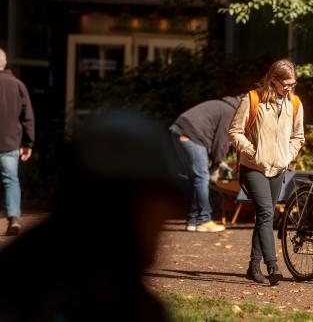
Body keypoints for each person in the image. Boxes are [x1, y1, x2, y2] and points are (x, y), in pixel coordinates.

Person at [0, 109, 190, 322]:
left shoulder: (121, 293)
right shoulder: (43, 299)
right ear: (117, 210)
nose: (158, 244)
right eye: (155, 223)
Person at [229, 59, 304, 286]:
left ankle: (253, 266)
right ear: (273, 80)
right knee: (265, 213)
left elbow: (298, 137)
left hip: (278, 167)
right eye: (286, 84)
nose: (290, 88)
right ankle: (272, 266)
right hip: (253, 166)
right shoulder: (252, 99)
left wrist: (287, 156)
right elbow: (234, 131)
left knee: (266, 215)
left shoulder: (295, 104)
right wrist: (252, 151)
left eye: (293, 84)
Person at [170, 96, 241, 232]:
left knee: (195, 179)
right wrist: (217, 164)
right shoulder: (230, 112)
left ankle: (193, 220)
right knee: (202, 177)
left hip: (179, 131)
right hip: (191, 135)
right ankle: (204, 219)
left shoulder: (224, 107)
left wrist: (216, 163)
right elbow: (221, 142)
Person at [0, 48, 35, 236]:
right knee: (11, 180)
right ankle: (13, 218)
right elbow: (28, 116)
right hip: (10, 142)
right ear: (4, 63)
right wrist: (28, 144)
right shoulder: (18, 85)